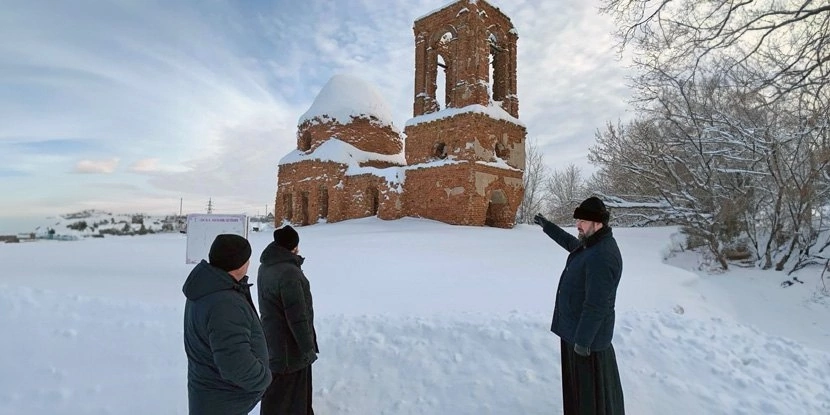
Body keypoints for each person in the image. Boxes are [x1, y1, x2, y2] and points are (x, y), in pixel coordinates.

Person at [533, 197, 625, 414]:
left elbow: (597, 305)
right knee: (579, 394)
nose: (578, 225)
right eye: (578, 220)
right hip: (576, 334)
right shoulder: (592, 245)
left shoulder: (602, 256)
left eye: (583, 221)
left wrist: (583, 342)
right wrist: (548, 227)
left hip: (587, 342)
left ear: (598, 223)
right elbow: (570, 243)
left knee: (589, 399)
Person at [182, 234, 271, 415]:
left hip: (213, 396)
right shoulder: (224, 303)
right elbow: (235, 364)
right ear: (240, 264)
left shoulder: (208, 287)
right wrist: (264, 378)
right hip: (223, 400)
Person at [257, 225, 318, 415]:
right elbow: (297, 316)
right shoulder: (289, 273)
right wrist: (308, 349)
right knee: (292, 395)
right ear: (293, 247)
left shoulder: (266, 266)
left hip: (273, 340)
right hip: (290, 348)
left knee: (277, 392)